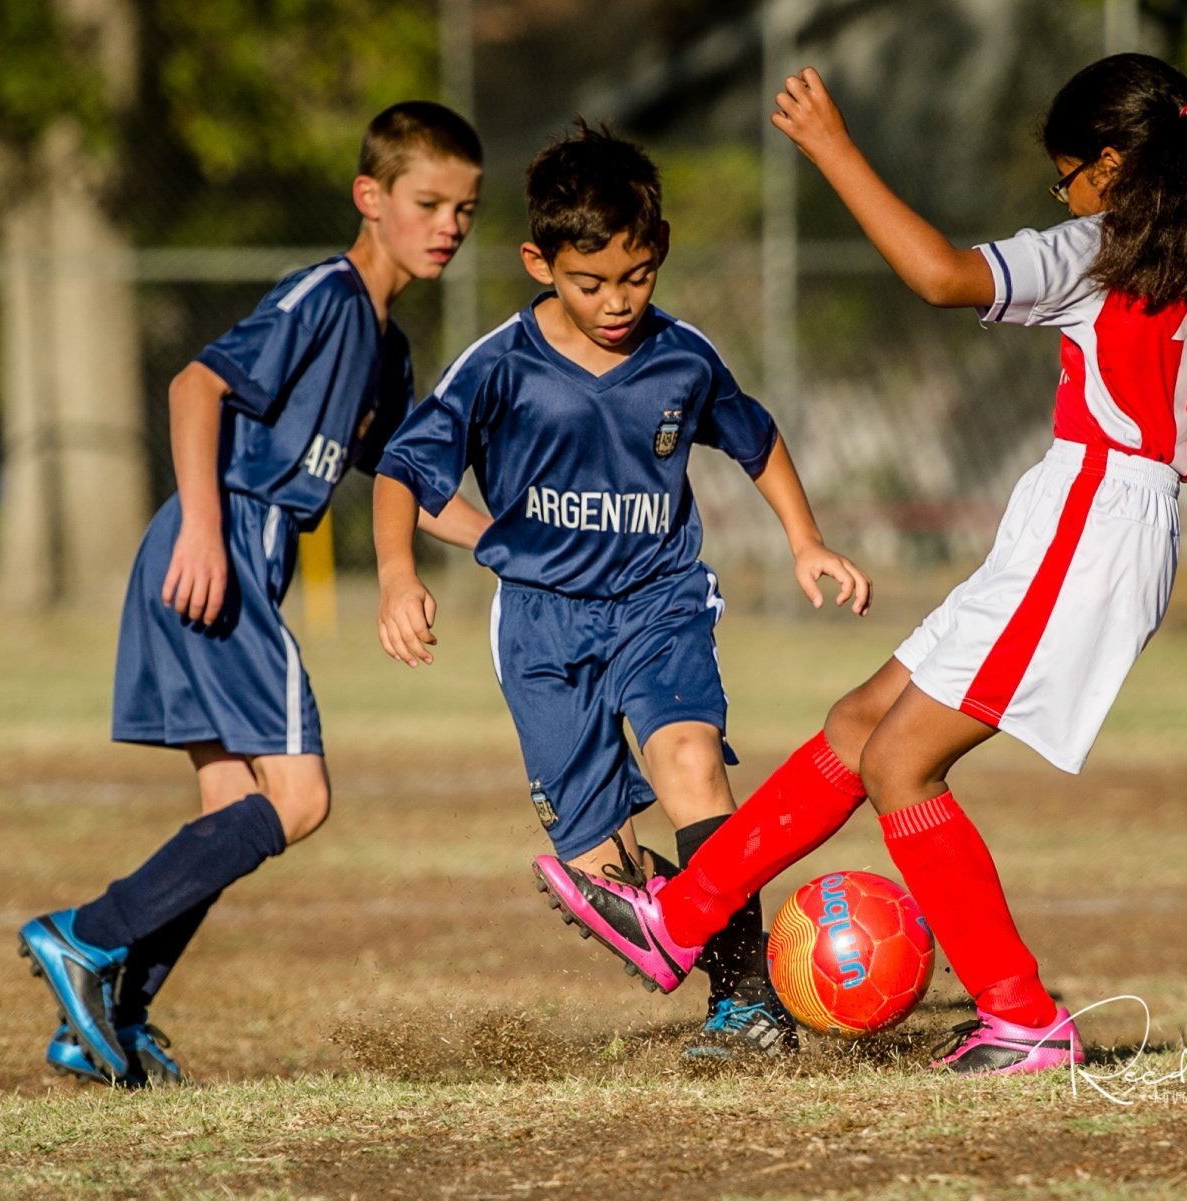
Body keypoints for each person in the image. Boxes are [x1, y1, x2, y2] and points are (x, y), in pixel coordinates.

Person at [530, 55, 1187, 1076]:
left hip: (1091, 523)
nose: (1063, 191)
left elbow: (941, 275)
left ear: (1113, 165)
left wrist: (832, 147)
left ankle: (1022, 1013)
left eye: (1070, 171)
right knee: (862, 721)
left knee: (901, 761)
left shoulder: (1099, 251)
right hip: (1096, 521)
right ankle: (681, 915)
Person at [372, 121, 870, 1059]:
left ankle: (747, 1004)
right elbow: (405, 470)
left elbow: (756, 441)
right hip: (542, 625)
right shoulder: (500, 365)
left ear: (661, 252)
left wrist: (806, 542)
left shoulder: (683, 356)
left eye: (635, 278)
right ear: (538, 261)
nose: (615, 302)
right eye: (589, 282)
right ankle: (662, 914)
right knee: (596, 869)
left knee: (690, 758)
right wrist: (400, 574)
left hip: (660, 598)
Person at [18, 101, 491, 1088]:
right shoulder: (325, 294)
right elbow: (197, 386)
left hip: (224, 547)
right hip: (219, 539)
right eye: (428, 201)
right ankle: (85, 934)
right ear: (371, 198)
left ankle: (110, 1006)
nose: (448, 224)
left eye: (465, 208)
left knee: (230, 802)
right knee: (300, 797)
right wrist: (203, 525)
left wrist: (520, 545)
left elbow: (407, 477)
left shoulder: (388, 350)